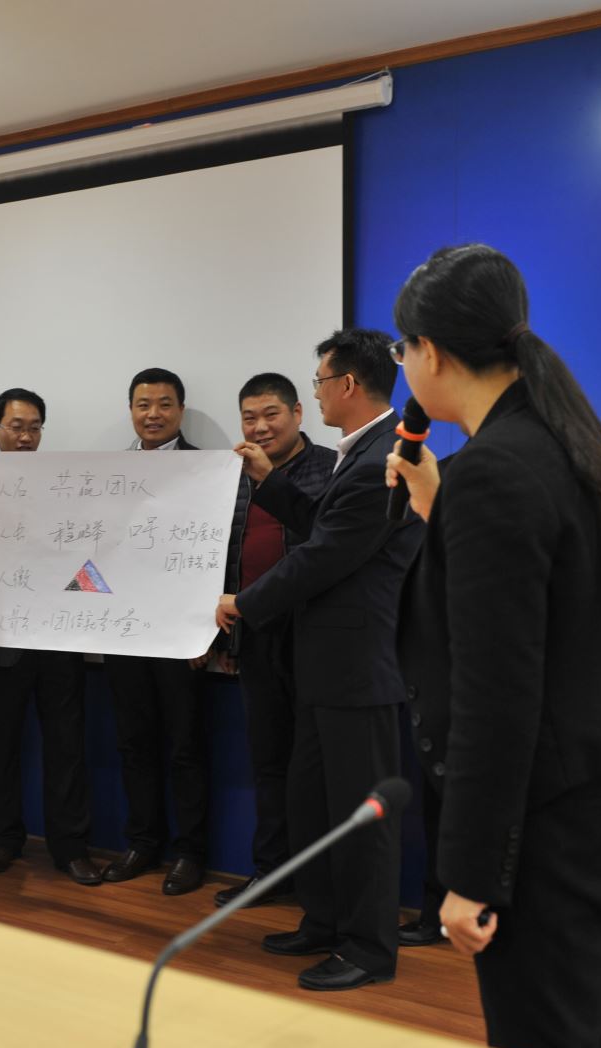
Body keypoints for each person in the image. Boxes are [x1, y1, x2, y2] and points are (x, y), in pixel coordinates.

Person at [385, 244, 601, 1048]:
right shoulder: (574, 440)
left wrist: (471, 874)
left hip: (550, 817)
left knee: (542, 1044)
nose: (406, 365)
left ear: (431, 352)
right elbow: (552, 611)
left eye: (404, 349)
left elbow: (498, 694)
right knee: (580, 1035)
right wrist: (443, 510)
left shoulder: (494, 471)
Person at [215, 329, 421, 991]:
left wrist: (245, 602)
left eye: (320, 382)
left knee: (360, 817)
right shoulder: (359, 453)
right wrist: (269, 483)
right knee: (314, 804)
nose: (318, 393)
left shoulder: (384, 456)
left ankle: (368, 948)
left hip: (358, 670)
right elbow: (324, 528)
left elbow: (322, 557)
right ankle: (325, 920)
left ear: (348, 385)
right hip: (325, 668)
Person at [0, 388, 102, 886]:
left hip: (59, 638)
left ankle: (71, 848)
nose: (25, 436)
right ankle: (4, 839)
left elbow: (87, 550)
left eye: (34, 427)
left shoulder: (66, 483)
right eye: (16, 427)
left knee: (66, 747)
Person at [212, 372, 335, 909]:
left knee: (315, 767)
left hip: (312, 636)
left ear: (298, 414)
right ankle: (271, 872)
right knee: (268, 761)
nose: (259, 428)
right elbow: (220, 552)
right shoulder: (230, 474)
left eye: (271, 415)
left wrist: (269, 479)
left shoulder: (330, 467)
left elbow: (325, 544)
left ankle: (317, 883)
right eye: (249, 418)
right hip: (254, 633)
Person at [102, 367, 211, 896]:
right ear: (130, 411)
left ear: (180, 411)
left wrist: (204, 634)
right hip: (123, 634)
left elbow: (214, 554)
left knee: (186, 748)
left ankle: (191, 852)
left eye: (164, 404)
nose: (153, 414)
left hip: (180, 637)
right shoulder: (108, 475)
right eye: (143, 404)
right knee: (134, 744)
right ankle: (143, 842)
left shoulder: (206, 471)